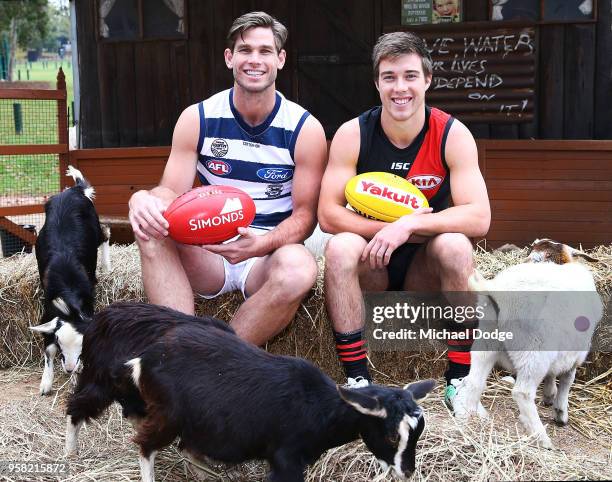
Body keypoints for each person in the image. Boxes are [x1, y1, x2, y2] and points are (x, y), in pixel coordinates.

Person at [128, 11, 327, 346]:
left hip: (266, 254)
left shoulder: (305, 129)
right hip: (207, 250)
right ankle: (177, 349)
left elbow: (305, 217)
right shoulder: (198, 118)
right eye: (245, 50)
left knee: (299, 268)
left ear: (280, 60)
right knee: (150, 228)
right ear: (229, 57)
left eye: (265, 51)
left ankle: (215, 357)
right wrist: (142, 199)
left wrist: (260, 244)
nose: (254, 60)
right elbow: (170, 192)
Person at [318, 32, 490, 414]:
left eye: (410, 76)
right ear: (377, 83)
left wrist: (407, 227)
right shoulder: (353, 133)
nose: (400, 88)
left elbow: (479, 216)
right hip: (373, 265)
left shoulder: (451, 133)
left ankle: (460, 381)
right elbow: (328, 214)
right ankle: (358, 380)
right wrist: (386, 230)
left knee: (457, 245)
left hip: (422, 270)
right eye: (390, 77)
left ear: (427, 80)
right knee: (340, 246)